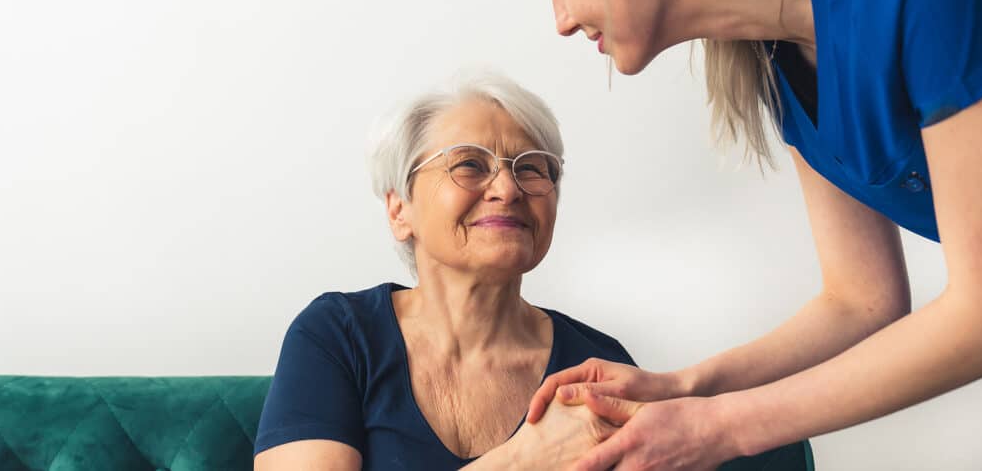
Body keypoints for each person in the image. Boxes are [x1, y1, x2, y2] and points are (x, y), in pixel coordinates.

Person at [500, 0, 982, 470]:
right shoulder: (781, 57)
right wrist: (682, 388)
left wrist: (721, 427)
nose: (561, 20)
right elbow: (861, 299)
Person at [252, 71, 809, 470]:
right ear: (400, 209)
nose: (509, 188)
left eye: (534, 169)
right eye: (470, 164)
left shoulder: (600, 365)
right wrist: (526, 459)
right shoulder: (337, 335)